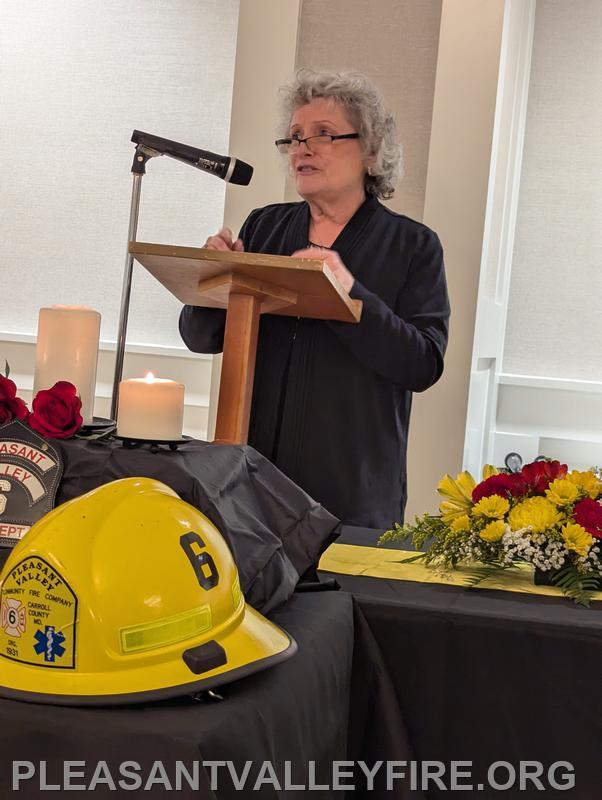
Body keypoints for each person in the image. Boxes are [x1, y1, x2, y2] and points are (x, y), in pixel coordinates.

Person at [179, 69, 450, 528]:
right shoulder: (264, 226)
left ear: (370, 150)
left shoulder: (413, 245)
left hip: (353, 496)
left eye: (322, 134)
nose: (302, 148)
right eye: (295, 137)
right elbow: (200, 338)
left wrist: (350, 293)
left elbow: (423, 364)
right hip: (251, 487)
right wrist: (215, 276)